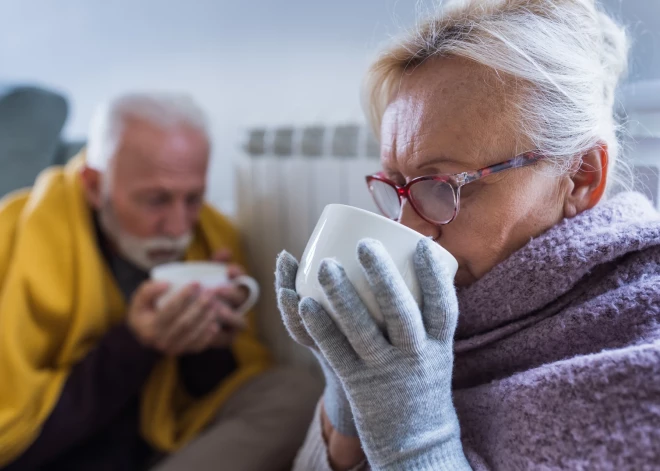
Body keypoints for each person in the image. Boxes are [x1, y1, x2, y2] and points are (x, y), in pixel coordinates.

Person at [276, 0, 660, 469]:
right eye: (397, 185)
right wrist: (347, 401)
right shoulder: (447, 313)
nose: (407, 227)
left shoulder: (642, 352)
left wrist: (416, 444)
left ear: (580, 176)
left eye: (442, 186)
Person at [0, 93, 320, 470]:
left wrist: (210, 343)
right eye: (156, 200)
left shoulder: (212, 235)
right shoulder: (19, 238)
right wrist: (135, 344)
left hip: (163, 449)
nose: (178, 227)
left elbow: (199, 403)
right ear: (92, 185)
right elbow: (18, 442)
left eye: (194, 198)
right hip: (63, 453)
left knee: (299, 394)